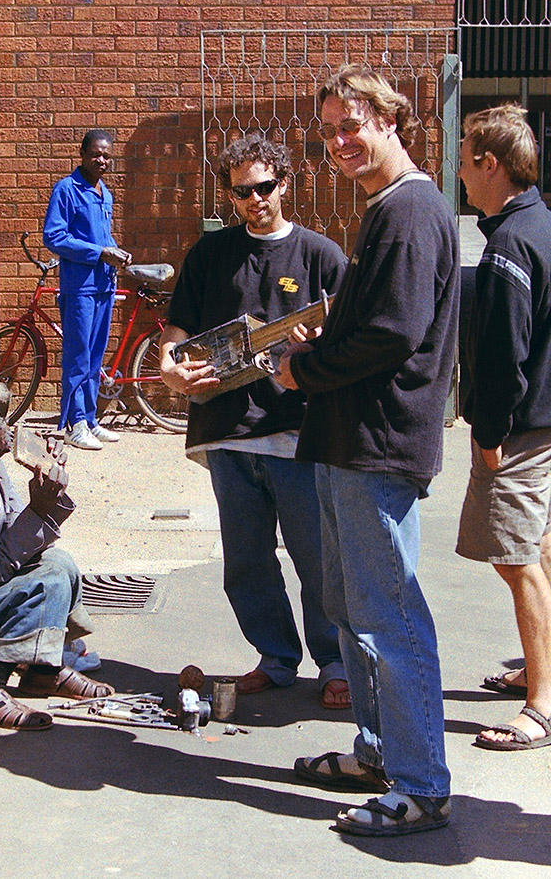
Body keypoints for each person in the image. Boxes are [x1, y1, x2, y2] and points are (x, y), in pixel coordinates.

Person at [280, 66, 459, 836]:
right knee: (356, 609)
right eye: (328, 132)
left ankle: (420, 786)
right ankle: (380, 751)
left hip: (378, 443)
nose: (340, 143)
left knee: (390, 615)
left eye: (352, 125)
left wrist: (306, 368)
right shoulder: (390, 210)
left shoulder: (412, 210)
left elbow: (395, 333)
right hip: (349, 437)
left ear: (392, 121)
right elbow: (379, 318)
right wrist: (326, 341)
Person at [159, 132, 349, 709]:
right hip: (227, 431)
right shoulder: (210, 255)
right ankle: (275, 657)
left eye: (265, 187)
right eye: (241, 192)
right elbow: (178, 329)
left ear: (285, 182)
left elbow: (351, 340)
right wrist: (170, 368)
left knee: (317, 556)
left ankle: (335, 659)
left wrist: (317, 344)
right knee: (246, 560)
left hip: (297, 432)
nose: (254, 200)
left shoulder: (321, 255)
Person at [455, 105, 551, 751]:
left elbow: (500, 358)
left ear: (492, 165)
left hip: (521, 432)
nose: (460, 175)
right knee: (537, 553)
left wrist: (489, 433)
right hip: (545, 423)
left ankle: (541, 703)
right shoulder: (541, 225)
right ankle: (540, 665)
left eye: (464, 162)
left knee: (518, 563)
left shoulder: (511, 245)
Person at [0, 380, 114, 730]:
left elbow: (24, 546)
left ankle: (43, 671)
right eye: (1, 426)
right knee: (48, 580)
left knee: (60, 564)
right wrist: (38, 512)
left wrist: (47, 499)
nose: (10, 431)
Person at [43, 130, 132, 450]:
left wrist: (115, 251)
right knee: (78, 357)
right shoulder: (66, 190)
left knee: (95, 358)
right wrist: (99, 253)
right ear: (81, 154)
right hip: (79, 287)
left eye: (107, 156)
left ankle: (90, 420)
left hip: (104, 285)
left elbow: (101, 237)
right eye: (96, 154)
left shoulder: (103, 192)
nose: (102, 160)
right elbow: (54, 237)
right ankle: (73, 423)